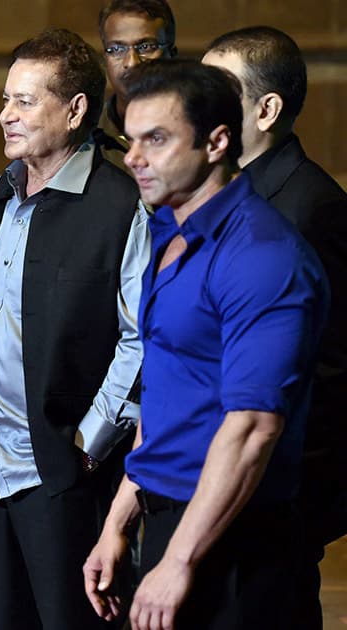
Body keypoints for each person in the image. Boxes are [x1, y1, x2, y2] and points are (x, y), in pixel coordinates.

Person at [83, 59, 330, 630]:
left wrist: (179, 559)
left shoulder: (262, 255)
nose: (135, 158)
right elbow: (168, 393)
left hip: (240, 540)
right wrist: (119, 522)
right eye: (131, 140)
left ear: (217, 142)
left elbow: (252, 427)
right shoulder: (167, 233)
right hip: (170, 520)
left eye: (158, 139)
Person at [0, 28, 149, 630]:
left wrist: (86, 442)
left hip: (59, 471)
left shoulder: (119, 207)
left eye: (25, 102)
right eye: (6, 99)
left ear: (76, 110)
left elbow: (140, 339)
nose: (5, 115)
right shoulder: (4, 188)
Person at [202, 26, 347, 629]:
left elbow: (333, 370)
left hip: (269, 500)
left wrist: (279, 496)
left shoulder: (313, 206)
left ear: (266, 108)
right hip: (209, 482)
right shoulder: (219, 193)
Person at [96, 0, 176, 169]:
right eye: (117, 49)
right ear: (105, 60)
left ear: (172, 55)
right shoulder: (85, 135)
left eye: (145, 47)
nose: (132, 62)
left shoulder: (199, 131)